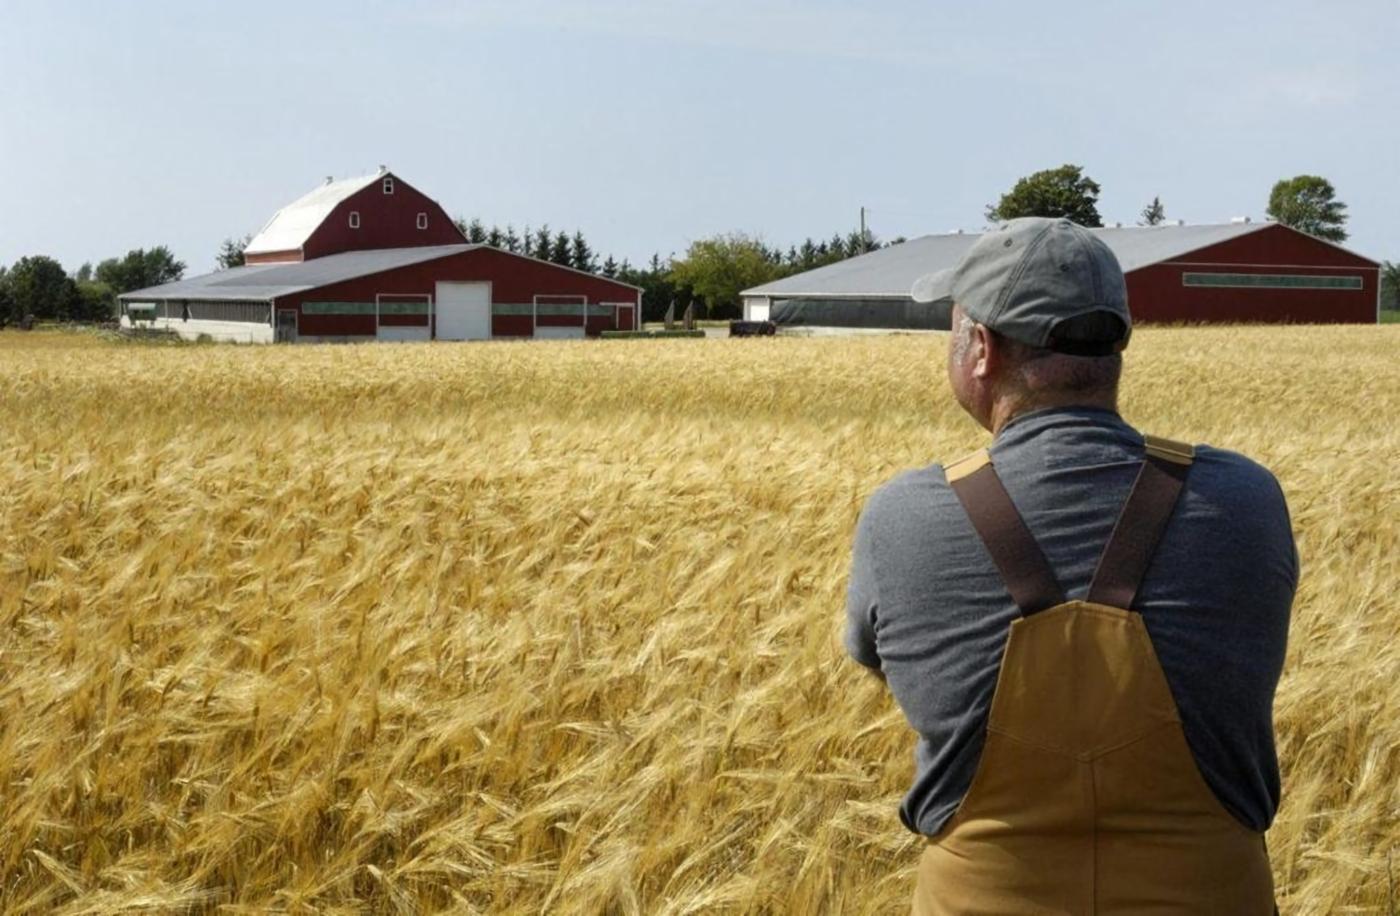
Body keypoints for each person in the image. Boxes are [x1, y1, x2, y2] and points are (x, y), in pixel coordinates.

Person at [844, 217, 1297, 914]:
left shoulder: (903, 517)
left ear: (982, 350)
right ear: (1116, 343)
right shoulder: (1247, 498)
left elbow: (883, 663)